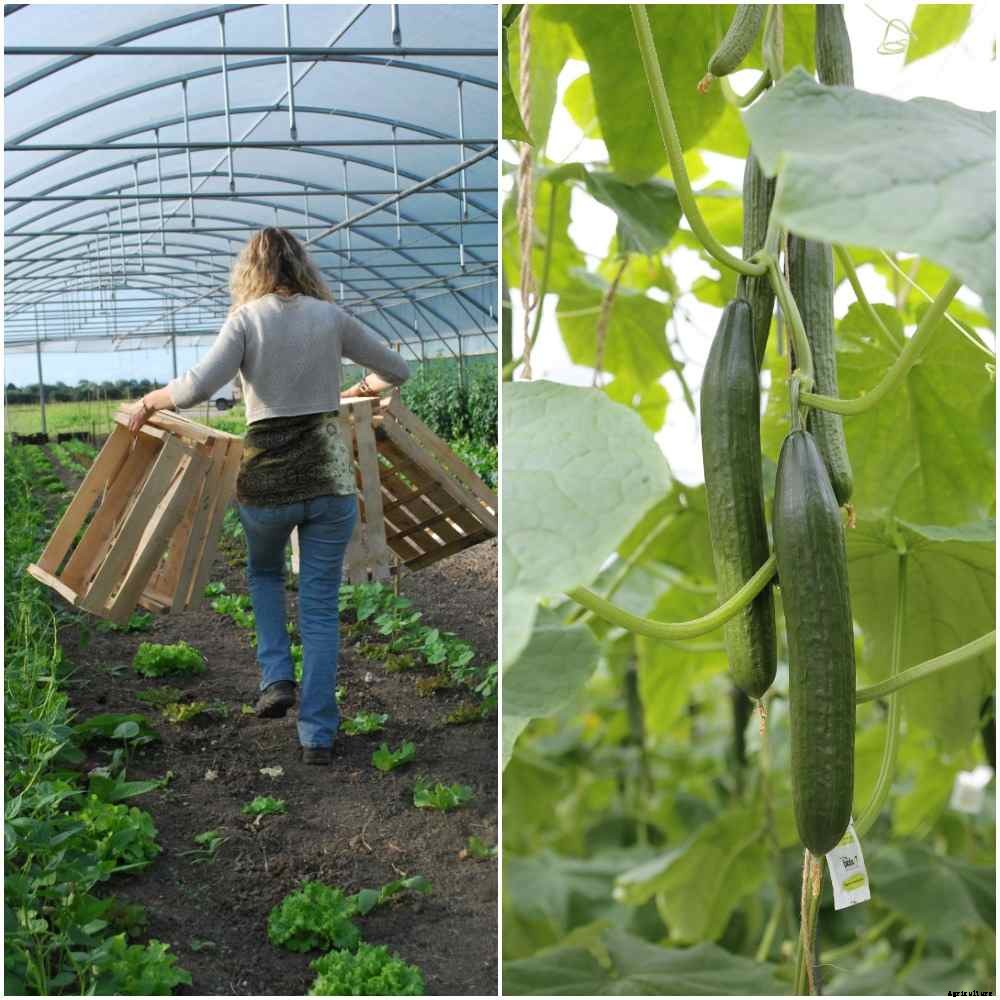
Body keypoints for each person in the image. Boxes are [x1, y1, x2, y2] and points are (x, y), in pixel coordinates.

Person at [128, 227, 410, 765]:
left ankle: (276, 676)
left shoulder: (247, 319)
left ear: (251, 270)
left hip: (267, 485)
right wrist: (355, 391)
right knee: (321, 608)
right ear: (301, 266)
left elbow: (192, 390)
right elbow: (398, 370)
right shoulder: (331, 318)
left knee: (263, 575)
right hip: (329, 484)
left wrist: (149, 399)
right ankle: (317, 736)